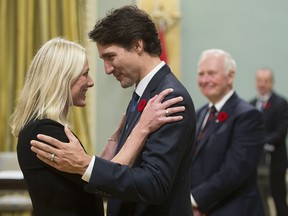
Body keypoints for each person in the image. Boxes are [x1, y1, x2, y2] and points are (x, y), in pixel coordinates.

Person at [30, 5, 196, 216]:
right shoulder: (144, 94)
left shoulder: (168, 97)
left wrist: (87, 165)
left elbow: (154, 184)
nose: (107, 69)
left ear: (137, 45)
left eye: (111, 57)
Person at [190, 49, 265, 216]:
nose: (204, 80)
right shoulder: (200, 114)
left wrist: (194, 200)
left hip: (233, 208)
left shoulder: (248, 116)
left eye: (211, 73)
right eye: (200, 74)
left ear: (230, 76)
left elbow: (235, 170)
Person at [250, 67, 288, 216]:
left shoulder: (280, 103)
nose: (262, 84)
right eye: (259, 80)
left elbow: (281, 131)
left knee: (278, 200)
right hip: (255, 163)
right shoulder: (251, 104)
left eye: (266, 81)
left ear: (271, 82)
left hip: (275, 163)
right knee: (259, 200)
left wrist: (260, 142)